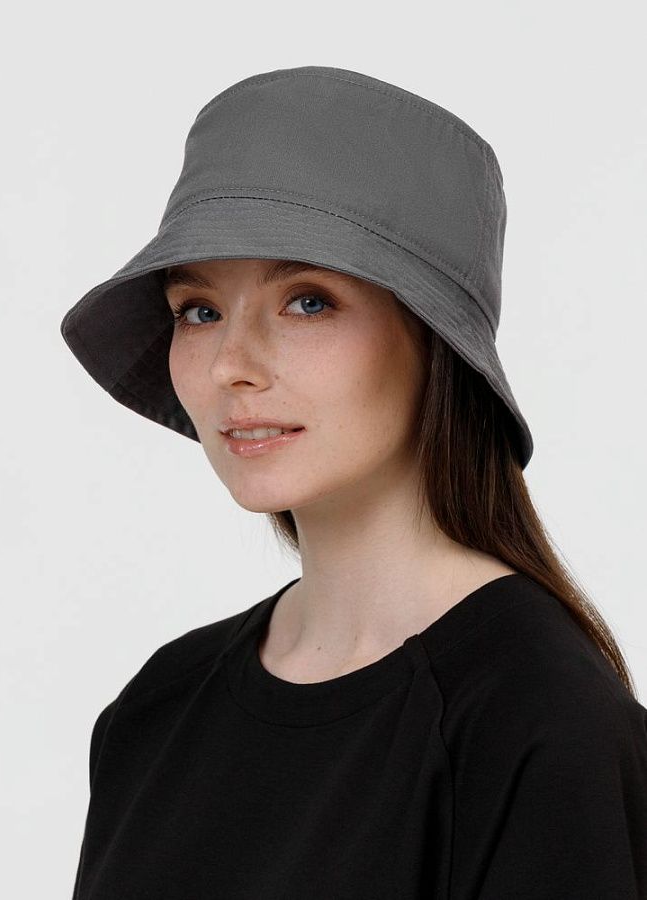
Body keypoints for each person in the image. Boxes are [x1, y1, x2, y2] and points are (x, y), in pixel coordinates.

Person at [62, 66, 647, 899]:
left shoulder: (539, 722)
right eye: (199, 309)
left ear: (434, 342)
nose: (230, 365)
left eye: (307, 301)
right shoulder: (159, 708)